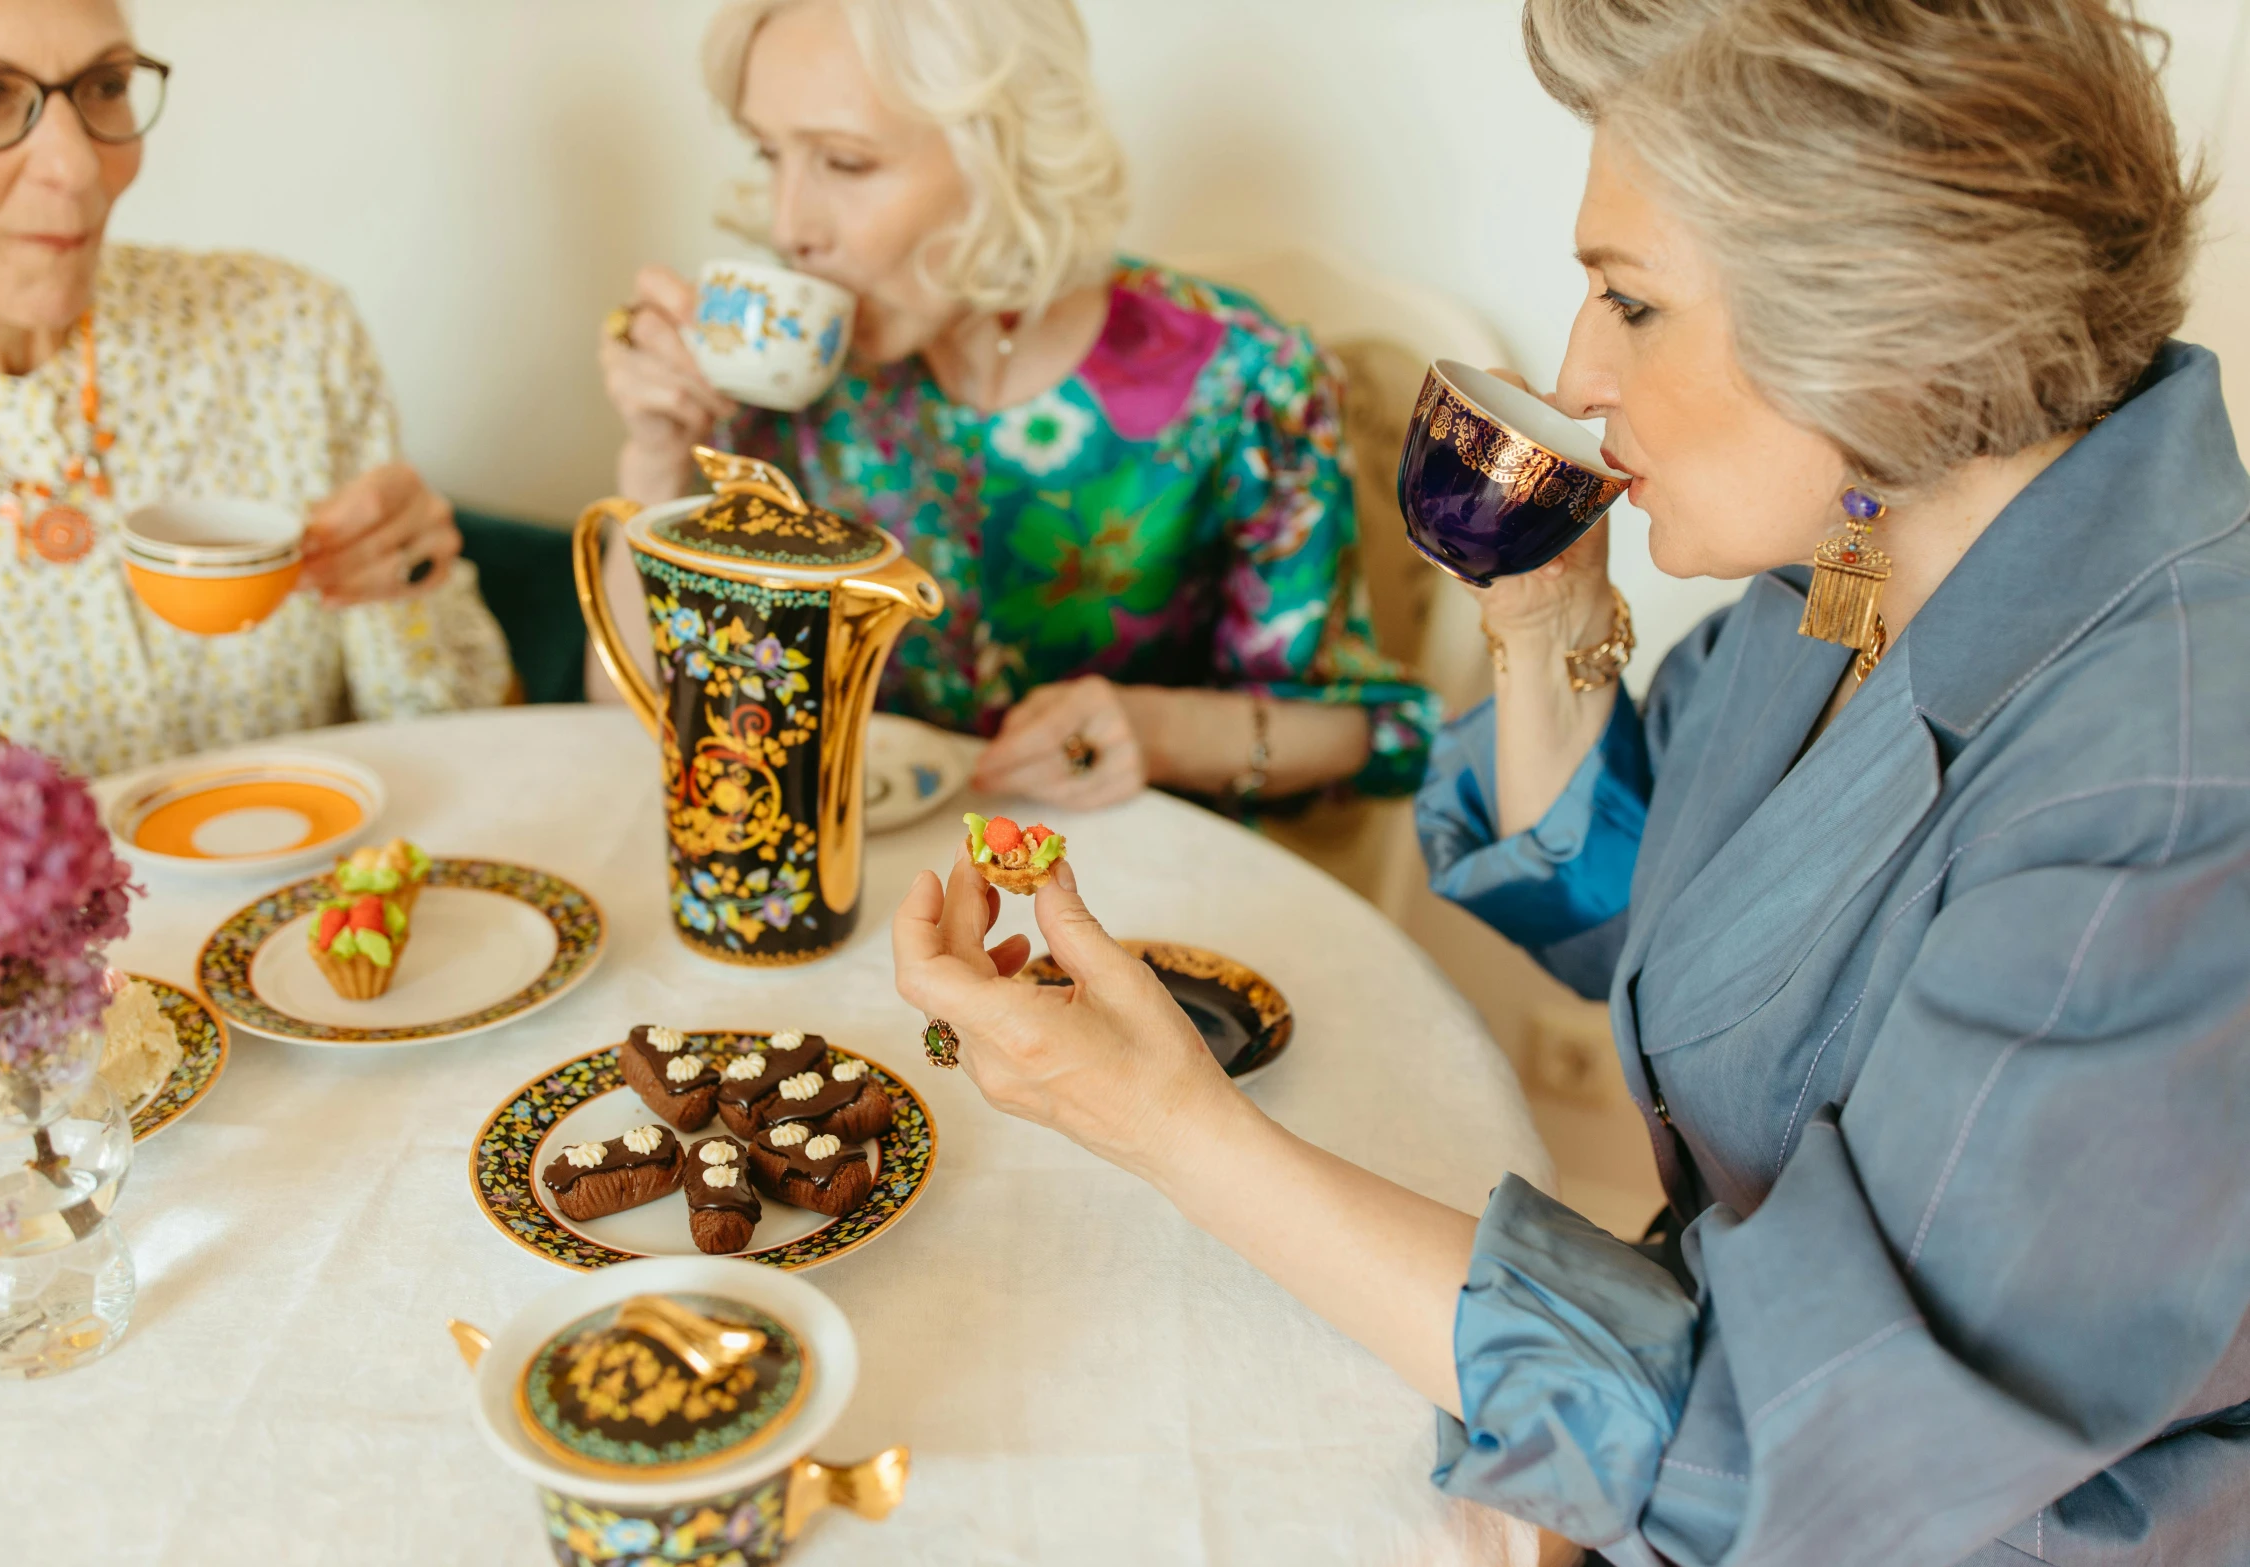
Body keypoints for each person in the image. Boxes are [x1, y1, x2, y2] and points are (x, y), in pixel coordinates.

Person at [892, 1, 2250, 1562]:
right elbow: (1667, 928)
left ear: (1881, 311)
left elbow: (1789, 1445)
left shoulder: (2165, 800)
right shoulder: (1867, 543)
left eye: (1629, 302)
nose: (1573, 372)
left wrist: (1174, 1126)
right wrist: (1539, 628)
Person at [595, 0, 1435, 811]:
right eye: (768, 156)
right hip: (866, 880)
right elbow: (623, 712)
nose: (789, 227)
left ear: (1004, 150)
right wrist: (660, 458)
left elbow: (1375, 733)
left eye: (844, 162)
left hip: (1139, 896)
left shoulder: (1247, 380)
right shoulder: (787, 379)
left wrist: (1161, 729)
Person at [0, 0, 511, 778]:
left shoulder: (286, 331)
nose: (79, 165)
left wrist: (406, 591)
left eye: (104, 85)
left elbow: (480, 749)